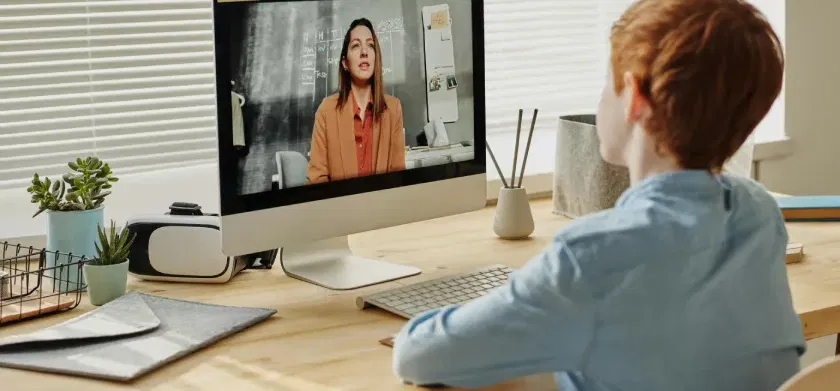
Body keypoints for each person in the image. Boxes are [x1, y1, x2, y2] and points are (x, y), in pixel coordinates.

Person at [391, 1, 806, 390]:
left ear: (634, 98)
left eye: (606, 83)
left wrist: (517, 299)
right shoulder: (758, 214)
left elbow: (417, 356)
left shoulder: (592, 257)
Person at [306, 18, 405, 184]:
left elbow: (398, 178)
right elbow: (317, 181)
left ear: (376, 58)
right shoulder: (326, 110)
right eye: (356, 45)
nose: (364, 52)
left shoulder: (393, 109)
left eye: (370, 45)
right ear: (345, 63)